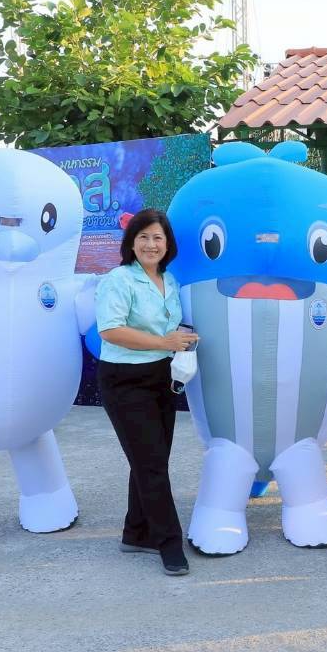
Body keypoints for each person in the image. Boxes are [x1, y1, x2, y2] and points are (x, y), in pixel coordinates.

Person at [95, 208, 197, 577]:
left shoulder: (170, 280)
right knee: (151, 464)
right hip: (125, 379)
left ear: (167, 244)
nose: (151, 244)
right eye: (143, 237)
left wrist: (182, 339)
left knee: (151, 459)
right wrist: (163, 341)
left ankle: (136, 533)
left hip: (161, 376)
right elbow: (110, 330)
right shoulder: (119, 279)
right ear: (131, 242)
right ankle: (169, 543)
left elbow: (170, 328)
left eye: (157, 237)